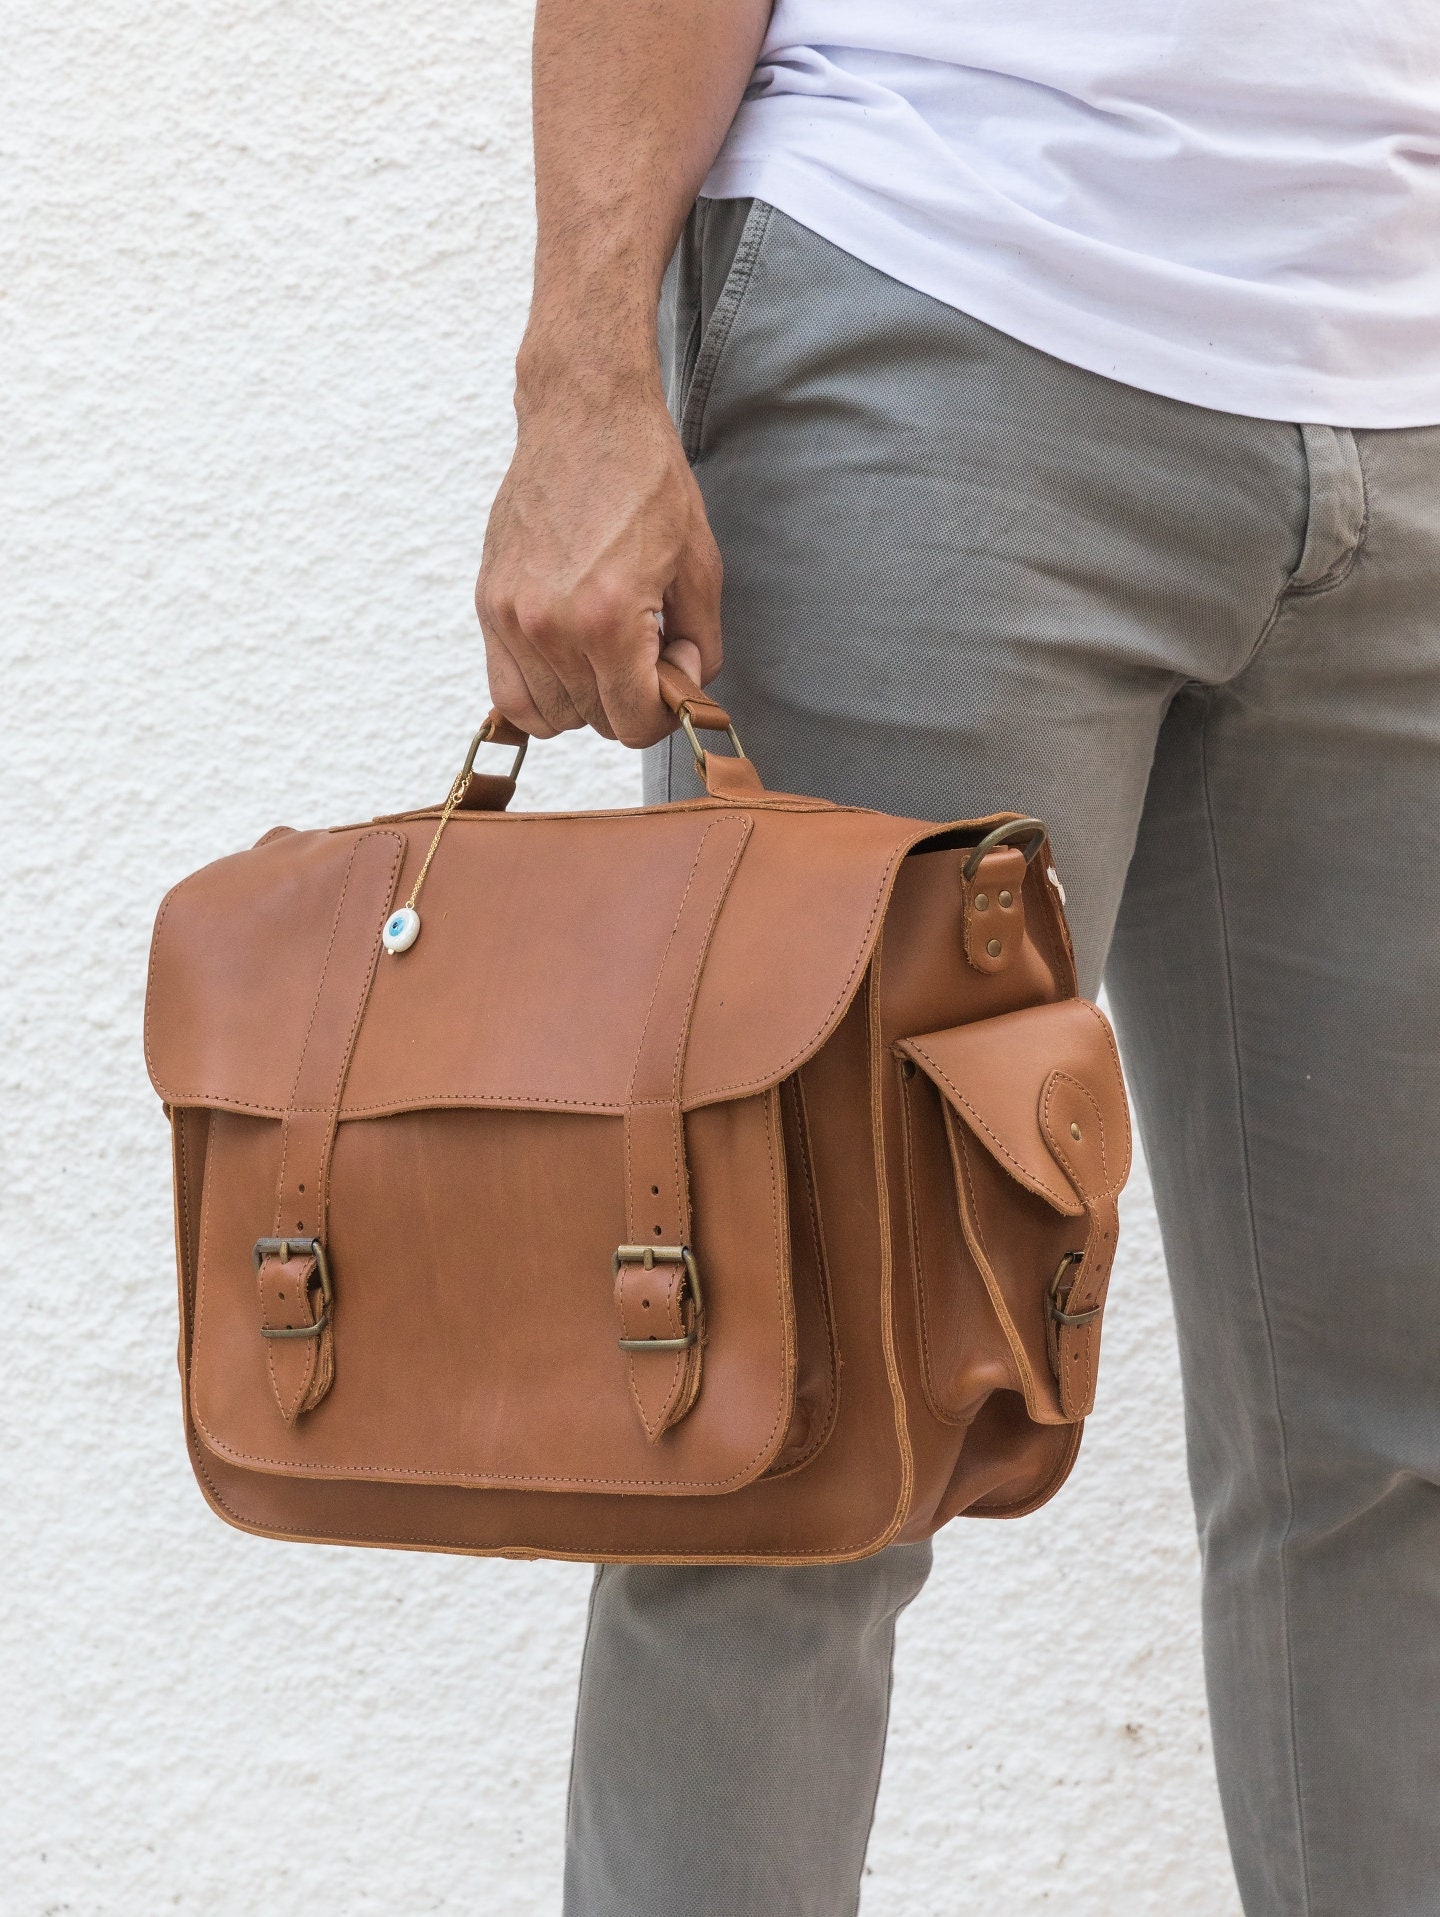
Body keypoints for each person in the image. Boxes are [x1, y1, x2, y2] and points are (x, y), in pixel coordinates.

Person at [474, 5, 1440, 1912]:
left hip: (1405, 387)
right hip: (934, 317)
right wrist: (582, 374)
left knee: (1398, 1455)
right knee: (794, 1437)